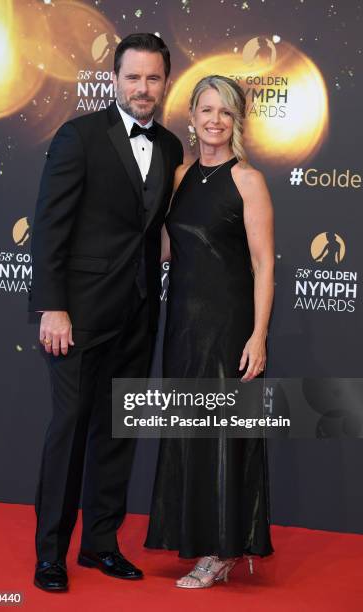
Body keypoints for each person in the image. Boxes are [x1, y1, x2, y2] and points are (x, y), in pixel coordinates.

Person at [29, 33, 183, 592]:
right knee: (68, 432)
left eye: (153, 78)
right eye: (133, 77)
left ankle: (100, 544)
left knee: (118, 435)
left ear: (166, 83)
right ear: (115, 79)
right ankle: (50, 553)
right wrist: (52, 306)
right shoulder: (79, 136)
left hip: (139, 316)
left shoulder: (169, 146)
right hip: (78, 316)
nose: (143, 88)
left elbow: (155, 229)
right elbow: (50, 227)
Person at [145, 75, 275, 588]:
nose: (214, 120)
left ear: (236, 119)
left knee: (223, 435)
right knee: (190, 434)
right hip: (182, 325)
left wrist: (258, 334)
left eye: (225, 112)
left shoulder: (248, 180)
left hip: (229, 326)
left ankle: (223, 551)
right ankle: (201, 542)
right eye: (206, 110)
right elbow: (170, 248)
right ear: (192, 116)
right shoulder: (178, 177)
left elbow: (264, 264)